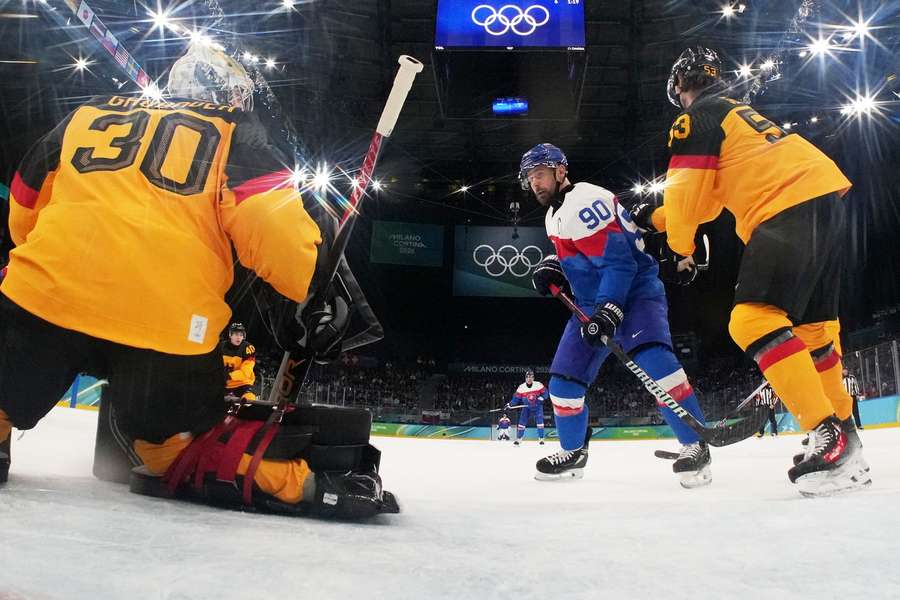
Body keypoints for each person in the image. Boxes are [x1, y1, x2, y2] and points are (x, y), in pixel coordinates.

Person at [0, 42, 396, 518]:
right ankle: (304, 485)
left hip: (42, 298)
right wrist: (307, 291)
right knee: (170, 447)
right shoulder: (235, 133)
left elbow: (24, 199)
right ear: (231, 96)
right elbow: (273, 231)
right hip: (165, 323)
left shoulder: (86, 114)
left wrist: (40, 261)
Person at [630, 46, 870, 496]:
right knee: (815, 332)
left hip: (785, 206)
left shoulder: (694, 116)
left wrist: (680, 249)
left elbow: (686, 195)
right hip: (822, 198)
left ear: (680, 89)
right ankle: (846, 442)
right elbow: (708, 201)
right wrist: (656, 218)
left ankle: (827, 436)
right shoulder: (737, 116)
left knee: (752, 319)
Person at [521, 143, 711, 488]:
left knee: (656, 365)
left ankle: (695, 444)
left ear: (561, 171)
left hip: (635, 294)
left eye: (540, 174)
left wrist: (610, 308)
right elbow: (581, 256)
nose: (535, 183)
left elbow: (618, 262)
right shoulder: (553, 214)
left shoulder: (585, 200)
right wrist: (553, 266)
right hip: (590, 303)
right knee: (563, 384)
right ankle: (573, 452)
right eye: (530, 178)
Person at [505, 369, 547, 445]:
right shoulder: (521, 387)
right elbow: (516, 398)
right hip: (526, 407)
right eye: (528, 377)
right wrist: (510, 404)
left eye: (531, 377)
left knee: (540, 422)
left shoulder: (538, 385)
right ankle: (519, 439)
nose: (529, 378)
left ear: (533, 378)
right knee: (522, 423)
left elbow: (545, 393)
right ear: (525, 378)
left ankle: (541, 439)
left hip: (537, 406)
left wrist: (543, 397)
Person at [220, 322, 257, 403]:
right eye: (236, 334)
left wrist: (229, 376)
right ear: (230, 335)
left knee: (249, 398)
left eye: (241, 335)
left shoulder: (248, 348)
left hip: (242, 384)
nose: (239, 337)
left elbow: (246, 372)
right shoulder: (221, 347)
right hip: (224, 384)